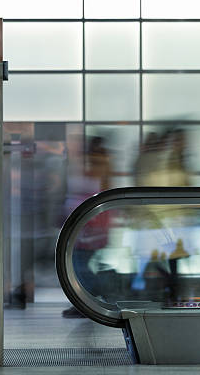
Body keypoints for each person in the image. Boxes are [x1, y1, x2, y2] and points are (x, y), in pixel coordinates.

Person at [62, 136, 113, 318]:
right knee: (79, 265)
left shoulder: (97, 169)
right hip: (87, 227)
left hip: (90, 228)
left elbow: (91, 196)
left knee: (79, 265)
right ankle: (89, 299)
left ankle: (94, 296)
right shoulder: (98, 169)